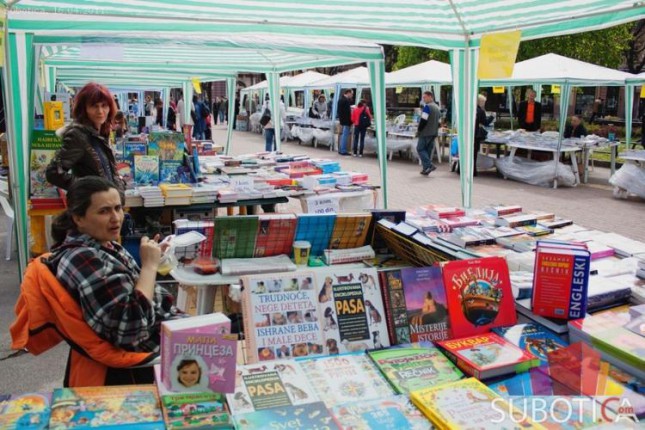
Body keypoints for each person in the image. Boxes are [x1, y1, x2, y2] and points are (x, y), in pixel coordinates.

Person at [45, 177, 182, 382]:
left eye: (118, 208)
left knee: (231, 325)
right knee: (231, 337)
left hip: (166, 329)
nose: (116, 218)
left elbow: (132, 289)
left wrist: (154, 259)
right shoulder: (82, 259)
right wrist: (149, 266)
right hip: (155, 353)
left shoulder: (102, 244)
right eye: (104, 211)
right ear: (78, 218)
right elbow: (131, 329)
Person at [46, 82, 125, 191]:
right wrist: (89, 189)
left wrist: (119, 183)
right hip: (92, 201)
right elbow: (53, 173)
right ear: (84, 109)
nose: (100, 111)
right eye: (94, 106)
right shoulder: (77, 135)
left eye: (104, 105)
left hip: (107, 199)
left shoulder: (100, 132)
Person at [416, 91, 441, 175]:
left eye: (425, 97)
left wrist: (419, 130)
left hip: (425, 132)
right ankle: (425, 169)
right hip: (434, 133)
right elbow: (439, 121)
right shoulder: (437, 107)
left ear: (430, 97)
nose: (423, 99)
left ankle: (429, 165)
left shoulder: (427, 107)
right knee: (427, 151)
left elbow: (423, 120)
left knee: (420, 148)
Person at [474, 94, 494, 177]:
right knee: (474, 153)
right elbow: (485, 123)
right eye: (484, 102)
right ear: (481, 102)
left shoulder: (469, 109)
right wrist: (492, 116)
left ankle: (460, 169)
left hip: (468, 133)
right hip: (476, 135)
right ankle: (473, 171)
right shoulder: (480, 111)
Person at [337, 89, 353, 155]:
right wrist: (350, 121)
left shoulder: (341, 99)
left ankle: (341, 149)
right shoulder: (345, 100)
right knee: (345, 135)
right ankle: (343, 150)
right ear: (348, 93)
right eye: (351, 94)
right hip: (346, 121)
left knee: (343, 135)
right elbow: (347, 113)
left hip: (342, 120)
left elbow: (340, 111)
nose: (352, 95)